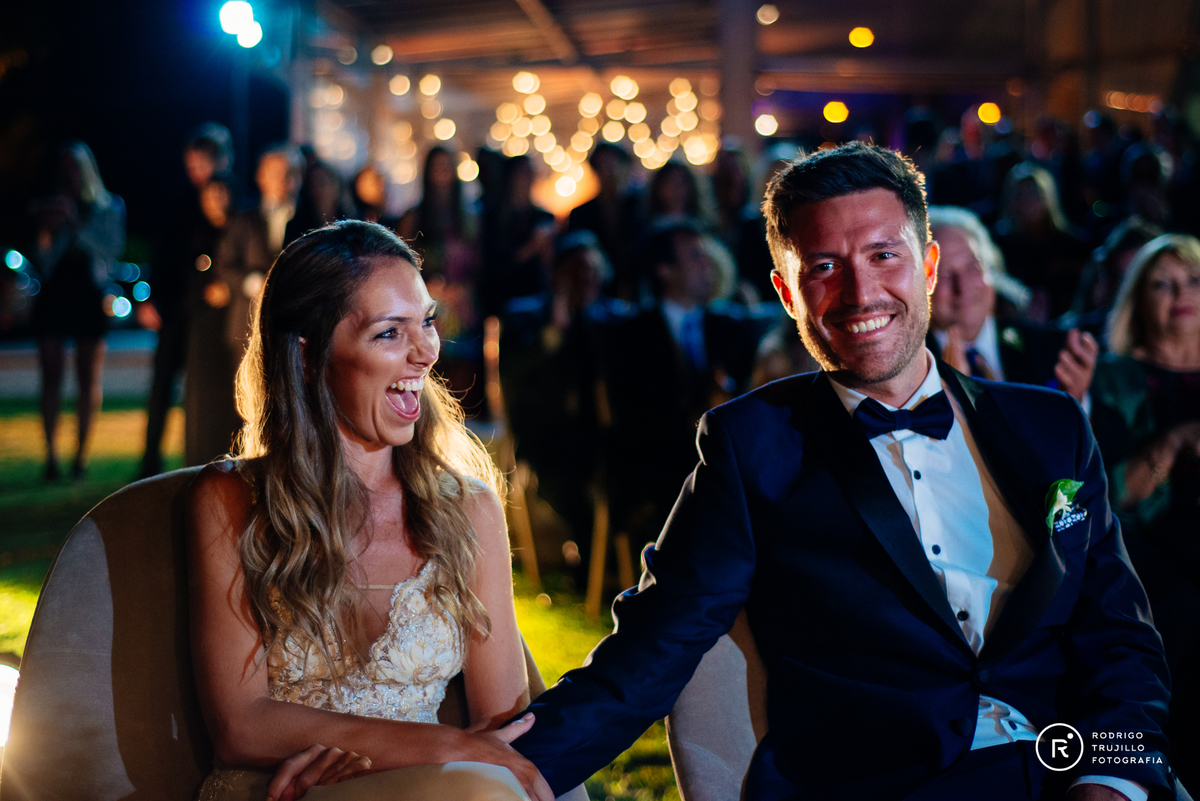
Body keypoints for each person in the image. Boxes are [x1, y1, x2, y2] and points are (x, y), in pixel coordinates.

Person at [512, 143, 1174, 800]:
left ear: (928, 266)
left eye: (884, 256)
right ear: (785, 292)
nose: (862, 293)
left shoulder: (1050, 426)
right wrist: (509, 763)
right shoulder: (751, 445)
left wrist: (1113, 776)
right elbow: (655, 645)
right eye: (825, 266)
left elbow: (1120, 636)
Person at [188, 220, 555, 801]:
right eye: (389, 332)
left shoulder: (469, 509)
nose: (426, 352)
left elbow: (502, 728)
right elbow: (242, 726)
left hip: (439, 789)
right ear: (307, 357)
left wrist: (391, 761)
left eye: (427, 321)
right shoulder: (232, 500)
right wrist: (446, 746)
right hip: (279, 788)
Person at [1089, 234, 1200, 784]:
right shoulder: (1115, 377)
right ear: (1139, 297)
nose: (1182, 295)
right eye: (1163, 284)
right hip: (1150, 538)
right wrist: (1175, 442)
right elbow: (1117, 494)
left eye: (1193, 281)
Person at [926, 205, 1099, 403]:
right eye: (943, 273)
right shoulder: (910, 368)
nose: (962, 286)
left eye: (972, 266)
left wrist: (1075, 404)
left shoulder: (1054, 351)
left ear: (991, 271)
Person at [139, 124, 234, 478]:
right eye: (191, 165)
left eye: (202, 164)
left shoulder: (231, 203)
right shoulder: (179, 204)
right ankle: (150, 459)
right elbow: (161, 255)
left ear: (221, 161)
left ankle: (203, 453)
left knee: (204, 388)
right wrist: (152, 297)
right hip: (175, 309)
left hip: (210, 315)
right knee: (161, 385)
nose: (195, 172)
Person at [30, 141, 126, 481]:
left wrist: (76, 224)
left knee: (88, 375)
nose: (70, 174)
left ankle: (80, 456)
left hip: (88, 291)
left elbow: (111, 249)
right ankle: (51, 456)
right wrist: (47, 229)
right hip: (55, 291)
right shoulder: (53, 204)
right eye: (65, 168)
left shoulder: (108, 206)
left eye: (75, 167)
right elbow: (42, 257)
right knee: (51, 374)